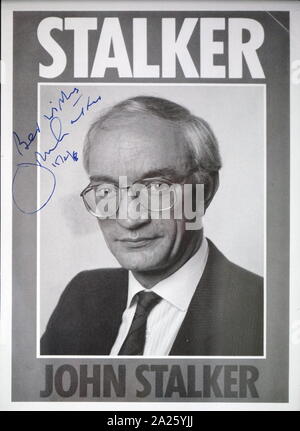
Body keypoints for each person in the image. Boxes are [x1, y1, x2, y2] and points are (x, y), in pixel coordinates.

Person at [40, 95, 263, 356]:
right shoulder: (82, 295)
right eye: (106, 190)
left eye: (156, 187)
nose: (129, 219)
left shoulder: (263, 311)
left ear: (205, 190)